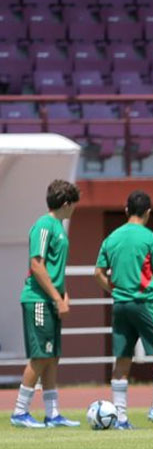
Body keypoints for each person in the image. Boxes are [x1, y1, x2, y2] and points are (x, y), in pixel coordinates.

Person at [94, 190, 153, 429]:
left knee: (122, 360)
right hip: (145, 301)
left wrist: (114, 289)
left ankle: (120, 419)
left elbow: (97, 273)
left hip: (120, 304)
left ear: (126, 210)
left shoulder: (112, 238)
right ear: (148, 212)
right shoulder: (151, 239)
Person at [11, 180, 81, 428]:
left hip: (50, 299)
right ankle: (20, 412)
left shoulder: (59, 227)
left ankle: (52, 414)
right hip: (38, 300)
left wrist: (64, 293)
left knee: (52, 356)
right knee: (40, 356)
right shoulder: (44, 225)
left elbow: (54, 267)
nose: (74, 209)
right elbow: (37, 264)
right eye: (74, 205)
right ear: (66, 203)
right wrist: (55, 296)